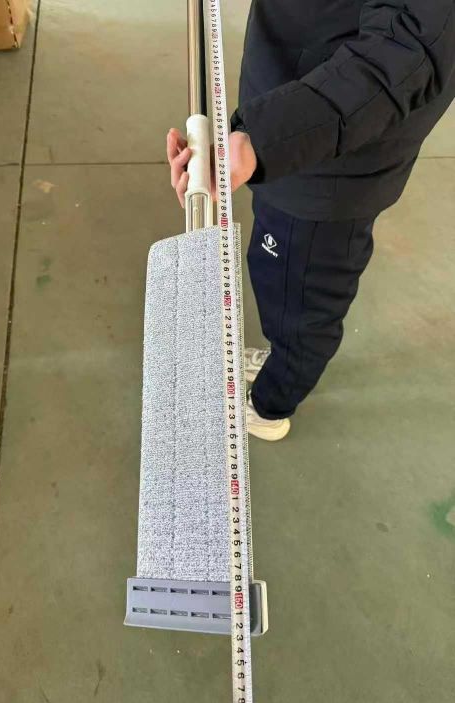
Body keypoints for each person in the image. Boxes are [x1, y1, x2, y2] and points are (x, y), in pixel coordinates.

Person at [167, 0, 455, 441]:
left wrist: (263, 141)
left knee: (302, 307)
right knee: (275, 278)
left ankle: (272, 403)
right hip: (289, 118)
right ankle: (280, 357)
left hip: (326, 166)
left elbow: (403, 53)